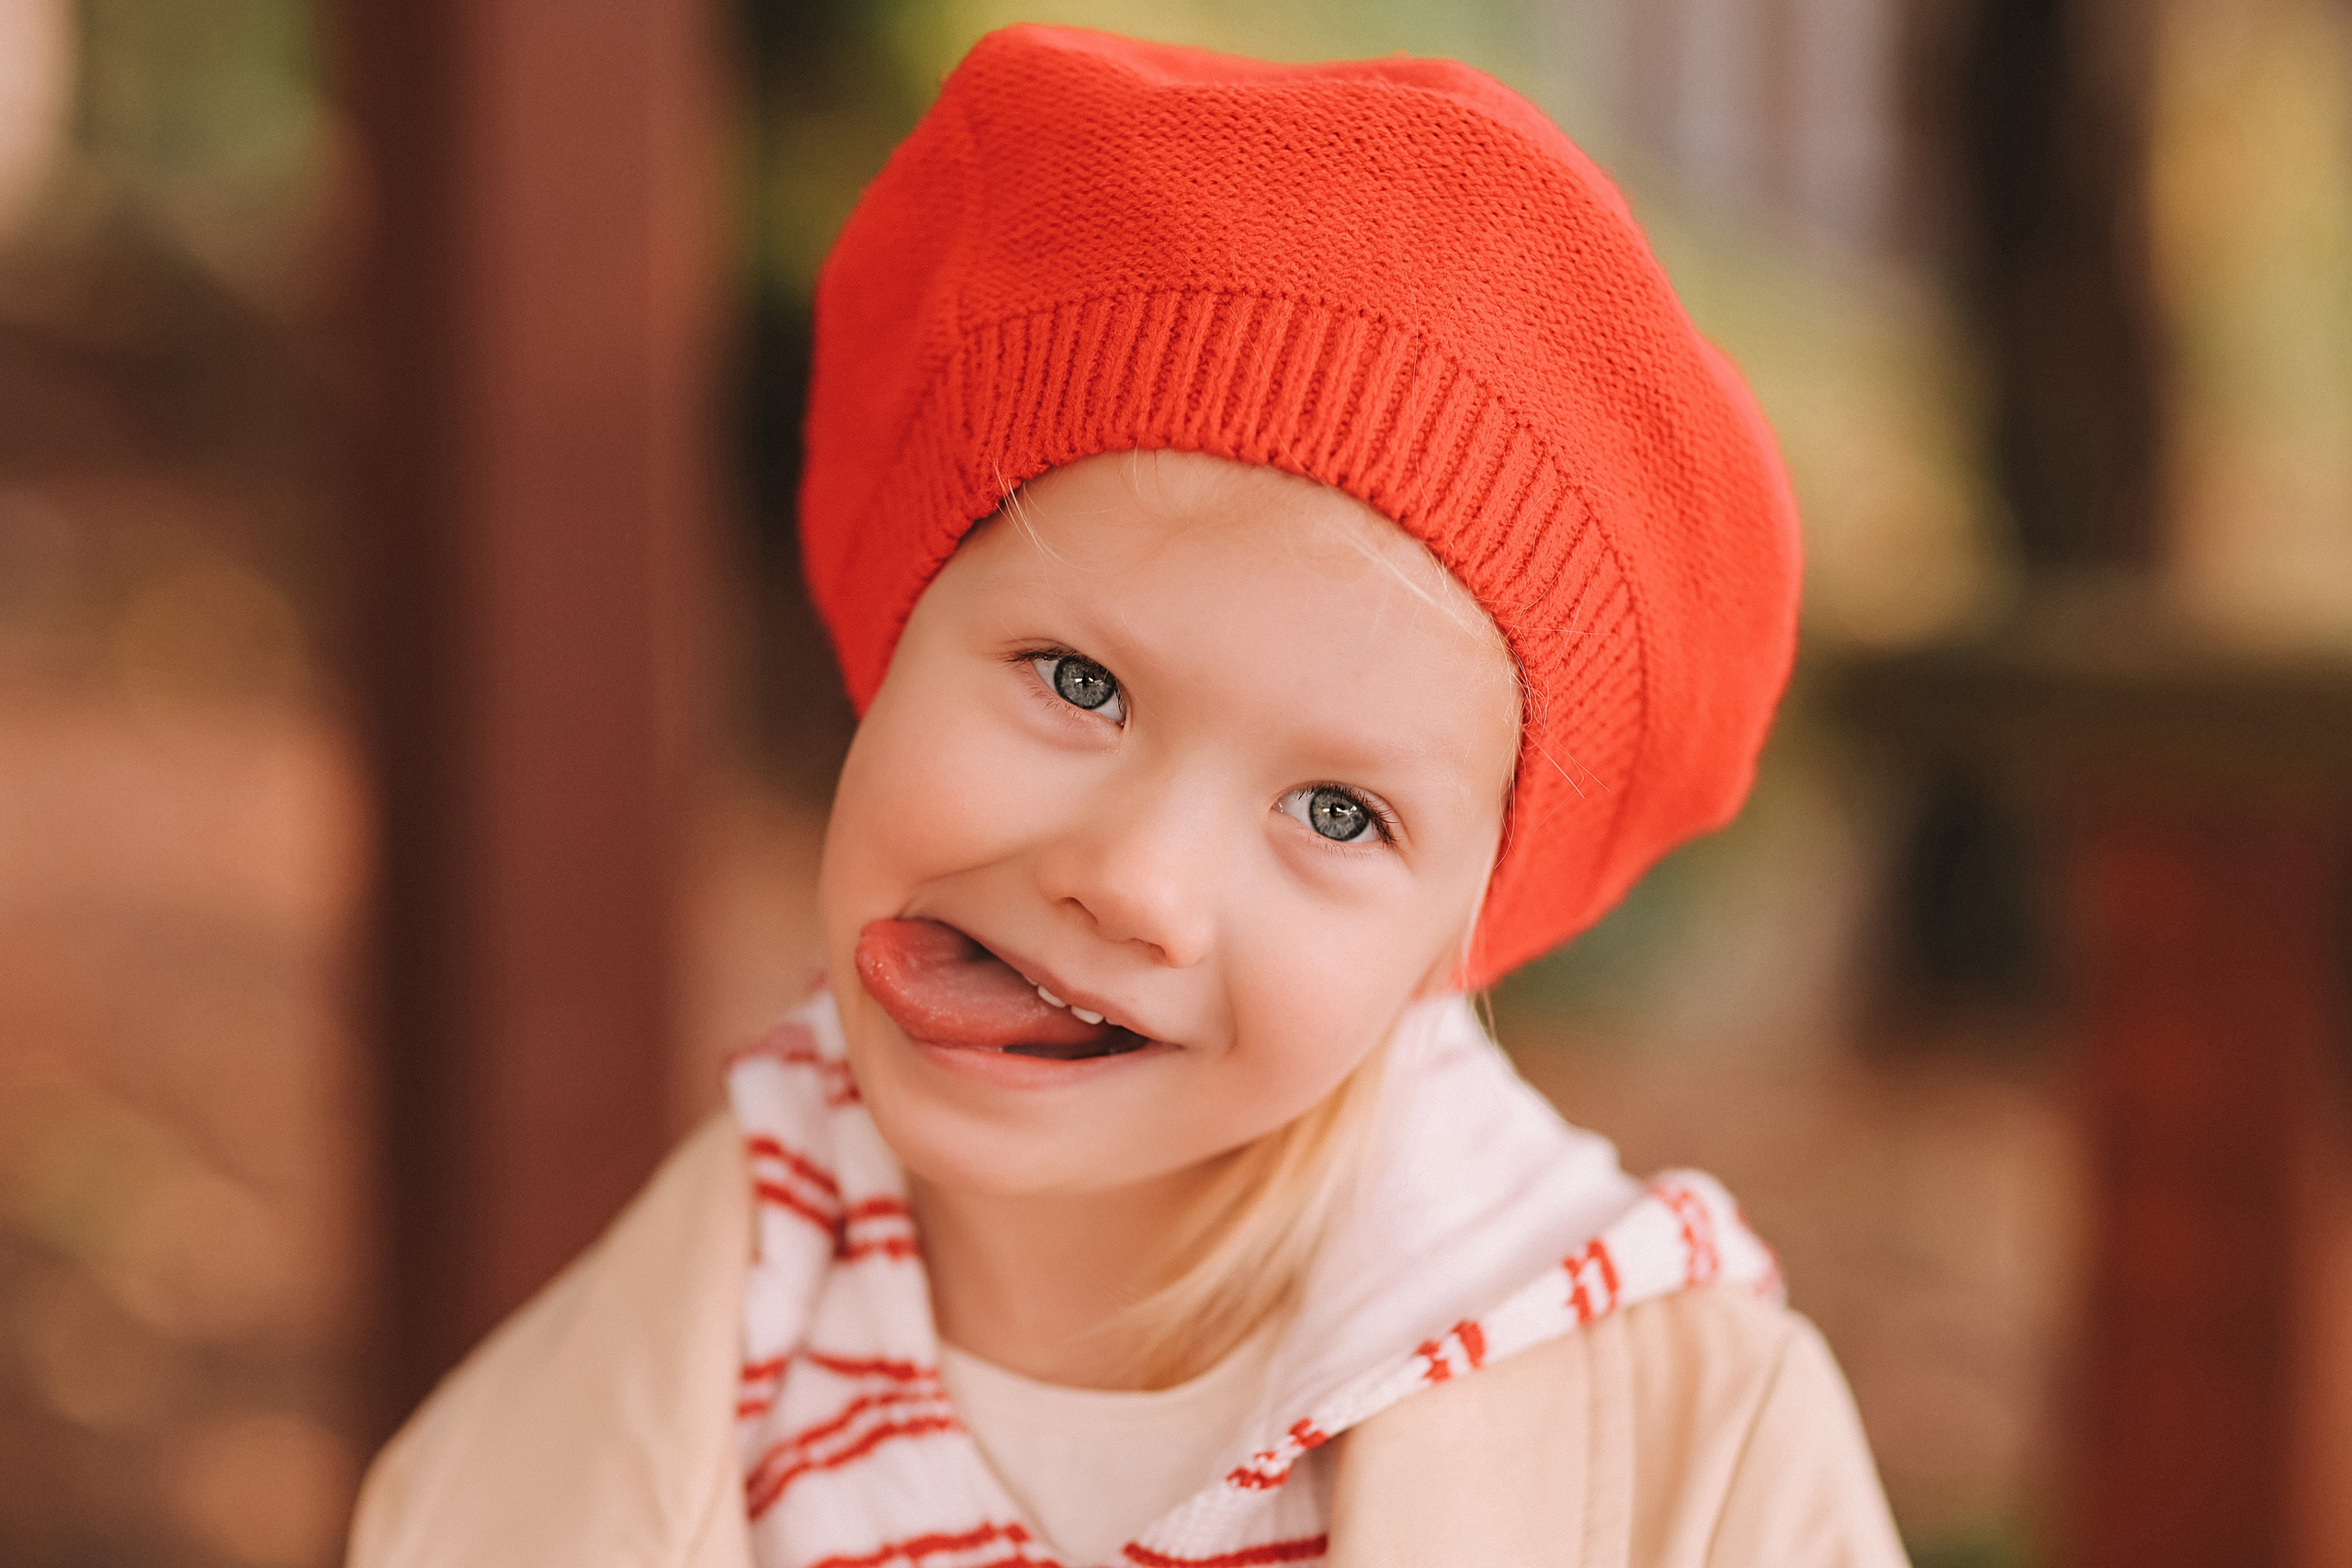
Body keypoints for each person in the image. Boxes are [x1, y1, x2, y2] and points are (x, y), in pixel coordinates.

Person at [347, 26, 1909, 1568]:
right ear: (894, 639)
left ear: (1456, 940)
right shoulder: (555, 1449)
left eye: (1340, 814)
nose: (1137, 883)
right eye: (1078, 684)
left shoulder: (1696, 1463)